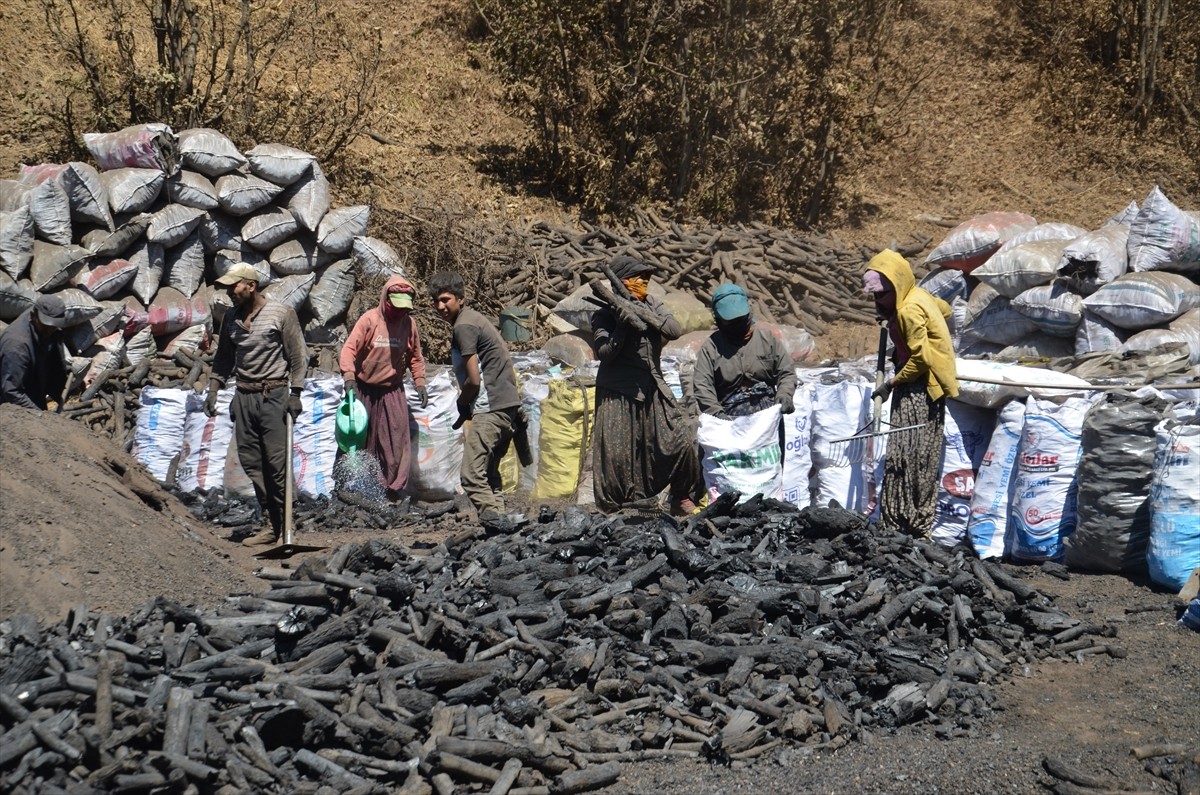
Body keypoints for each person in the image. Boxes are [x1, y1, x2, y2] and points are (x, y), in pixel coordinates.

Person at [205, 262, 308, 547]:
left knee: (277, 464)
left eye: (234, 286)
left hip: (273, 395)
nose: (230, 292)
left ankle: (288, 526)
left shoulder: (281, 313)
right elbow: (224, 359)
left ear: (251, 286)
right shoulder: (230, 318)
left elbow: (298, 356)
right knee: (252, 462)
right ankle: (271, 524)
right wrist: (213, 390)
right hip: (244, 396)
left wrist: (296, 393)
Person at [591, 254, 701, 515]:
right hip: (618, 391)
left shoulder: (653, 303)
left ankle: (681, 495)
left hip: (652, 385)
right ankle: (619, 508)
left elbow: (673, 330)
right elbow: (604, 354)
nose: (643, 281)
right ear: (621, 281)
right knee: (618, 457)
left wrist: (643, 313)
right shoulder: (603, 314)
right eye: (637, 277)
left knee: (681, 442)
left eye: (646, 277)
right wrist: (621, 326)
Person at [863, 249, 959, 539]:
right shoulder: (918, 296)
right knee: (920, 456)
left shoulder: (908, 310)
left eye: (882, 294)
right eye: (875, 295)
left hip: (917, 391)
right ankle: (915, 521)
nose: (878, 301)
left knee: (907, 456)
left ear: (898, 286)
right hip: (923, 385)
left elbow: (921, 360)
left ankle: (904, 521)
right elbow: (945, 310)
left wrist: (890, 384)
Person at [429, 270, 521, 518]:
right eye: (436, 301)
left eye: (445, 299)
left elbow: (473, 380)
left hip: (491, 409)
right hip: (506, 405)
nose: (440, 306)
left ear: (461, 298)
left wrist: (462, 403)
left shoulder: (464, 326)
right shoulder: (473, 319)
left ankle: (495, 518)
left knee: (470, 475)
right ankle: (502, 527)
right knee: (488, 474)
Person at [339, 275, 428, 498]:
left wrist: (419, 382)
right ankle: (356, 490)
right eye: (395, 306)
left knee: (395, 442)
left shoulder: (408, 324)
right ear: (385, 299)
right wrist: (349, 377)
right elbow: (349, 349)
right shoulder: (369, 320)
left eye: (404, 308)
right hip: (364, 390)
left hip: (391, 391)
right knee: (359, 439)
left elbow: (415, 357)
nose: (399, 312)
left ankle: (392, 490)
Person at [692, 282, 797, 419]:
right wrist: (717, 415)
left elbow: (786, 372)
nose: (737, 324)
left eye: (740, 319)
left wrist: (785, 395)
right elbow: (702, 386)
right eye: (730, 321)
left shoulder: (767, 339)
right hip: (729, 416)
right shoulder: (711, 348)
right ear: (718, 319)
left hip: (768, 413)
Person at [0, 294, 69, 410]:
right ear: (33, 316)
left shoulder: (44, 325)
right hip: (10, 404)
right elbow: (12, 392)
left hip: (34, 386)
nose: (49, 331)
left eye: (54, 326)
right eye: (46, 326)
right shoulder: (17, 346)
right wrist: (40, 416)